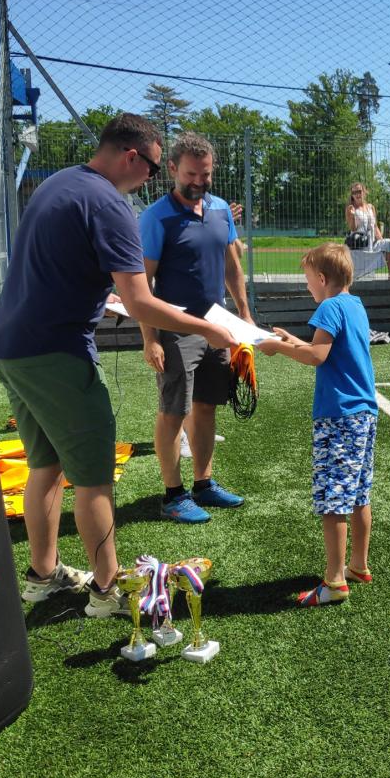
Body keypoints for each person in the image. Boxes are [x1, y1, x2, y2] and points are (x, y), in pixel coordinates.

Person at [0, 113, 237, 618]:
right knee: (94, 478)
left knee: (45, 466)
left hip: (10, 347)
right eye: (154, 168)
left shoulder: (59, 184)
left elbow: (66, 272)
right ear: (131, 157)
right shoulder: (110, 204)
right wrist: (208, 328)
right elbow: (141, 301)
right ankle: (107, 591)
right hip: (56, 354)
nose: (153, 179)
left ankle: (43, 574)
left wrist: (108, 300)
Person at [138, 132, 250, 524]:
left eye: (206, 175)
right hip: (174, 330)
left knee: (206, 407)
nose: (199, 182)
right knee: (173, 412)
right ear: (172, 168)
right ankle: (173, 495)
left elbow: (232, 266)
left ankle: (203, 483)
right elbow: (142, 285)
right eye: (191, 174)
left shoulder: (220, 210)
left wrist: (245, 315)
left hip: (218, 327)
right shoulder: (156, 217)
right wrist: (150, 338)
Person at [257, 244, 374, 607]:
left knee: (333, 499)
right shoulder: (354, 305)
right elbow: (327, 348)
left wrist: (279, 348)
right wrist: (294, 341)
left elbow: (317, 355)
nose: (307, 286)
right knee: (359, 494)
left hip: (338, 416)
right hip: (364, 414)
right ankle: (358, 566)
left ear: (322, 279)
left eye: (308, 280)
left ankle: (335, 582)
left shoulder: (329, 307)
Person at [344, 183, 390, 277]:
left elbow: (375, 226)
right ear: (352, 195)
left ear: (364, 192)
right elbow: (353, 228)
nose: (357, 194)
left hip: (373, 243)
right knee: (363, 276)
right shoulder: (351, 208)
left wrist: (382, 242)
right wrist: (352, 216)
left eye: (359, 191)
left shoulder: (370, 207)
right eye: (354, 192)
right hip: (360, 245)